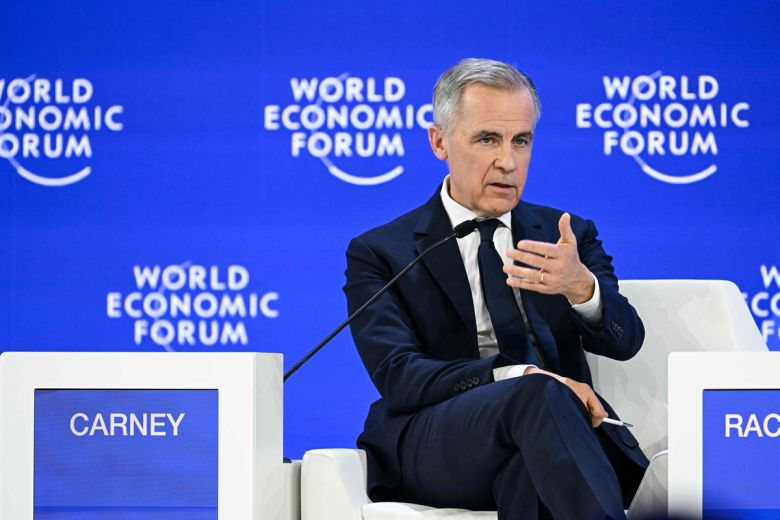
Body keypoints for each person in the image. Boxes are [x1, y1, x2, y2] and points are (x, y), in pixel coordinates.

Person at [343, 58, 648, 520]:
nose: (508, 162)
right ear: (440, 141)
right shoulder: (382, 251)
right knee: (536, 394)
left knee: (530, 470)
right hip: (437, 441)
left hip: (555, 439)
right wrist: (519, 375)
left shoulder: (566, 235)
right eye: (487, 139)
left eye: (521, 141)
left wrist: (582, 289)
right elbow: (400, 376)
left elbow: (626, 342)